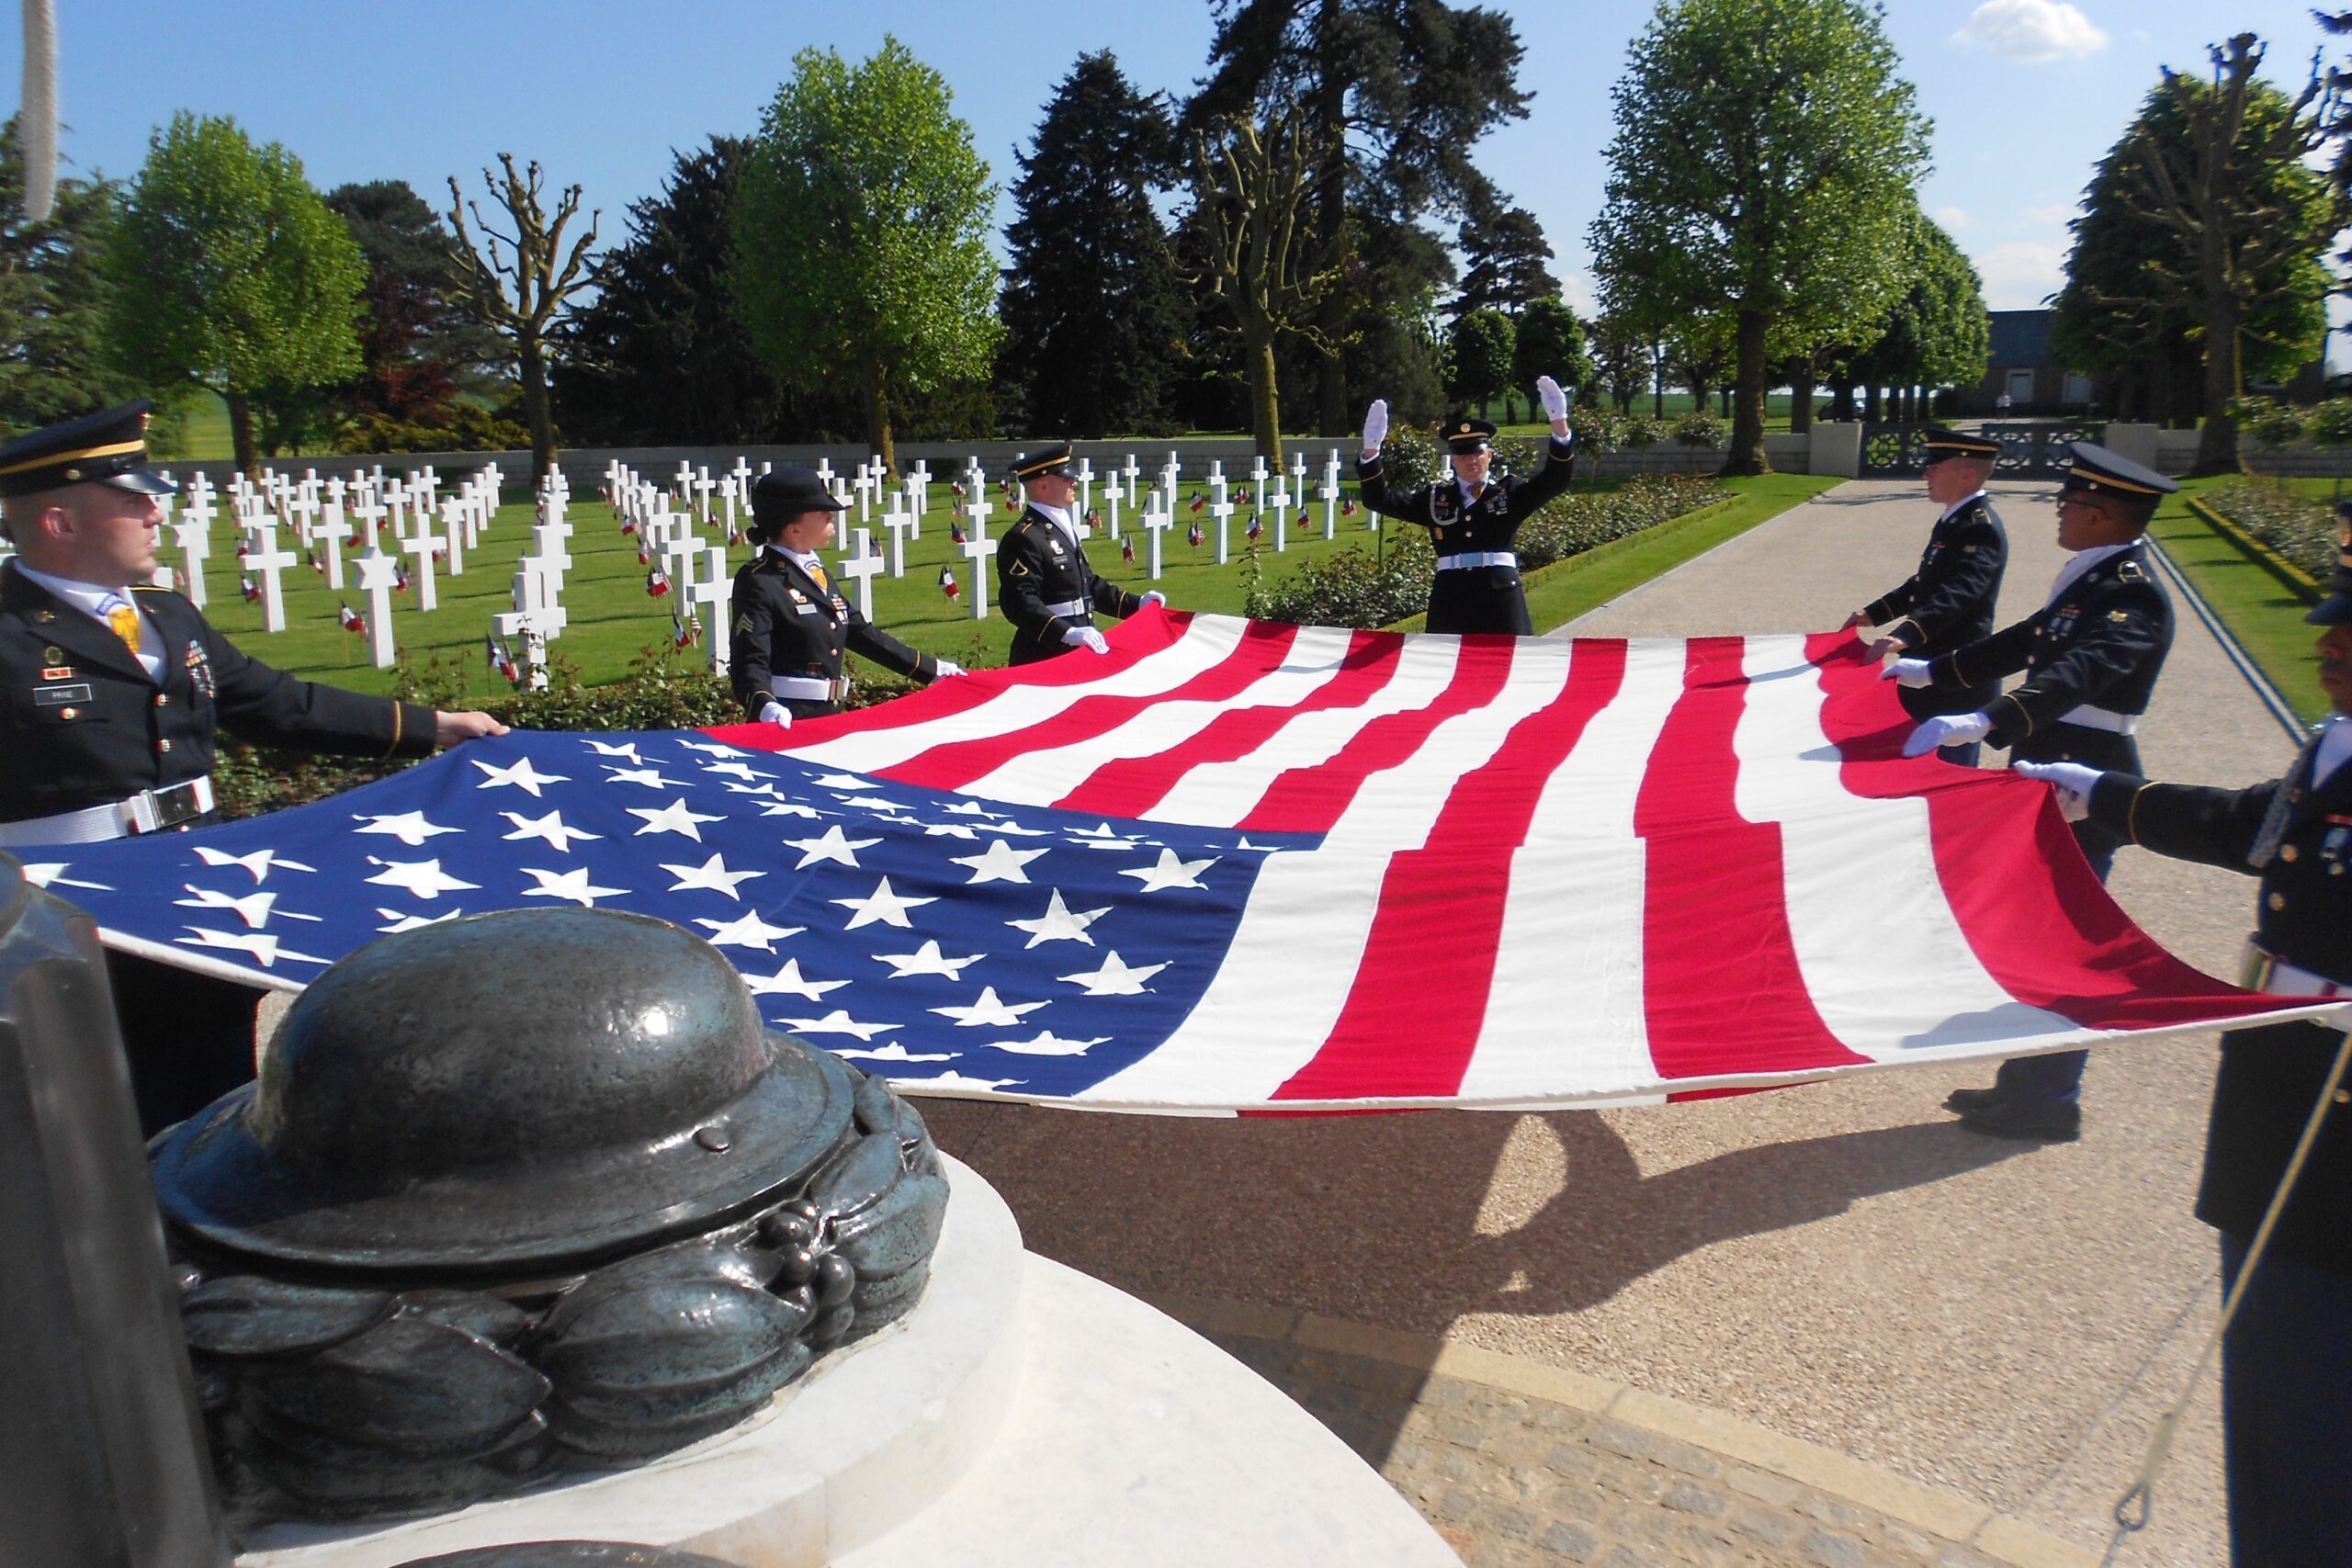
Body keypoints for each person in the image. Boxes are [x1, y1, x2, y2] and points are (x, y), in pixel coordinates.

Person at [0, 401, 508, 1132]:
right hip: (70, 913)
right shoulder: (10, 635)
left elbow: (279, 704)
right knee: (97, 1121)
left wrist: (435, 727)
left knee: (218, 1099)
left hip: (193, 889)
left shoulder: (166, 615)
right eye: (133, 499)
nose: (156, 512)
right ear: (60, 521)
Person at [2006, 516, 2352, 1562]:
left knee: (2311, 1401)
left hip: (2333, 1113)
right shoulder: (2338, 739)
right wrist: (2096, 792)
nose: (2326, 642)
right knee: (2265, 1382)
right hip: (2279, 1080)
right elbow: (2256, 828)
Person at [1883, 441, 2178, 1140]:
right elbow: (2027, 640)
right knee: (2033, 929)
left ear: (2102, 515)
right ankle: (2024, 1084)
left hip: (2085, 772)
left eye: (2070, 503)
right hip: (2053, 760)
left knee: (2067, 942)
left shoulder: (2131, 591)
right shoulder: (2095, 578)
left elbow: (2081, 668)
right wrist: (1931, 671)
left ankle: (2050, 1099)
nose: (2061, 513)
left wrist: (1989, 717)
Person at [729, 467, 959, 726]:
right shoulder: (760, 580)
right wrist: (764, 704)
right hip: (787, 719)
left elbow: (860, 632)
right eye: (821, 512)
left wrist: (930, 669)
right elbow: (750, 658)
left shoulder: (815, 572)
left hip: (829, 716)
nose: (831, 516)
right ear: (794, 529)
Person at [1356, 378, 1576, 636]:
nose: (1470, 460)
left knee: (1509, 667)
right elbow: (1378, 499)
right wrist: (1371, 451)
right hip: (1451, 598)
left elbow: (1556, 480)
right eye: (1462, 454)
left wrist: (1559, 426)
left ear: (1489, 455)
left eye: (1476, 453)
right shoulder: (1435, 498)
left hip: (1501, 598)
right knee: (1445, 669)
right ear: (1452, 459)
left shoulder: (1509, 493)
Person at [1843, 425, 2008, 766]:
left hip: (1956, 684)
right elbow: (1924, 583)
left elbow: (1959, 593)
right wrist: (1873, 614)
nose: (1926, 473)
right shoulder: (1955, 520)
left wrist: (1902, 636)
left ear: (1966, 474)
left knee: (1944, 783)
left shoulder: (1980, 527)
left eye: (1936, 467)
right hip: (1928, 681)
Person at [995, 444, 1162, 666]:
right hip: (1044, 654)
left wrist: (1137, 605)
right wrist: (1066, 633)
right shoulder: (1024, 537)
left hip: (1079, 647)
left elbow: (1087, 585)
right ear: (1043, 485)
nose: (1073, 482)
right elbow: (1019, 602)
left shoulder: (1059, 529)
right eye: (1065, 478)